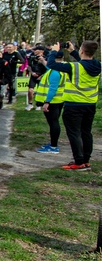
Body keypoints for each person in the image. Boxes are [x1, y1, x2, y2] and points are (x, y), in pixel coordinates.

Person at [46, 41, 100, 170]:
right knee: (86, 132)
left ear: (82, 51)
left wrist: (54, 51)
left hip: (74, 105)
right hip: (90, 104)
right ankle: (86, 160)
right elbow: (85, 64)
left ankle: (78, 162)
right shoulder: (98, 65)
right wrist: (72, 51)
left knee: (74, 133)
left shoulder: (73, 66)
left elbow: (51, 64)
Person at [33, 54, 67, 154]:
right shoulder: (63, 68)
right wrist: (44, 62)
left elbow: (53, 88)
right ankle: (53, 143)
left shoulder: (55, 72)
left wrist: (47, 102)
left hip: (52, 101)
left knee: (53, 123)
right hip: (59, 99)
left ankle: (53, 146)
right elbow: (49, 67)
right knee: (54, 122)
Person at [25, 45, 48, 111]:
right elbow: (28, 66)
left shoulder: (46, 58)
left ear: (41, 51)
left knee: (40, 91)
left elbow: (48, 68)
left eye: (36, 50)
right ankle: (30, 104)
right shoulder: (32, 57)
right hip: (33, 75)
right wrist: (32, 72)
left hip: (42, 76)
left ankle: (39, 104)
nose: (34, 51)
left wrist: (42, 76)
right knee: (30, 90)